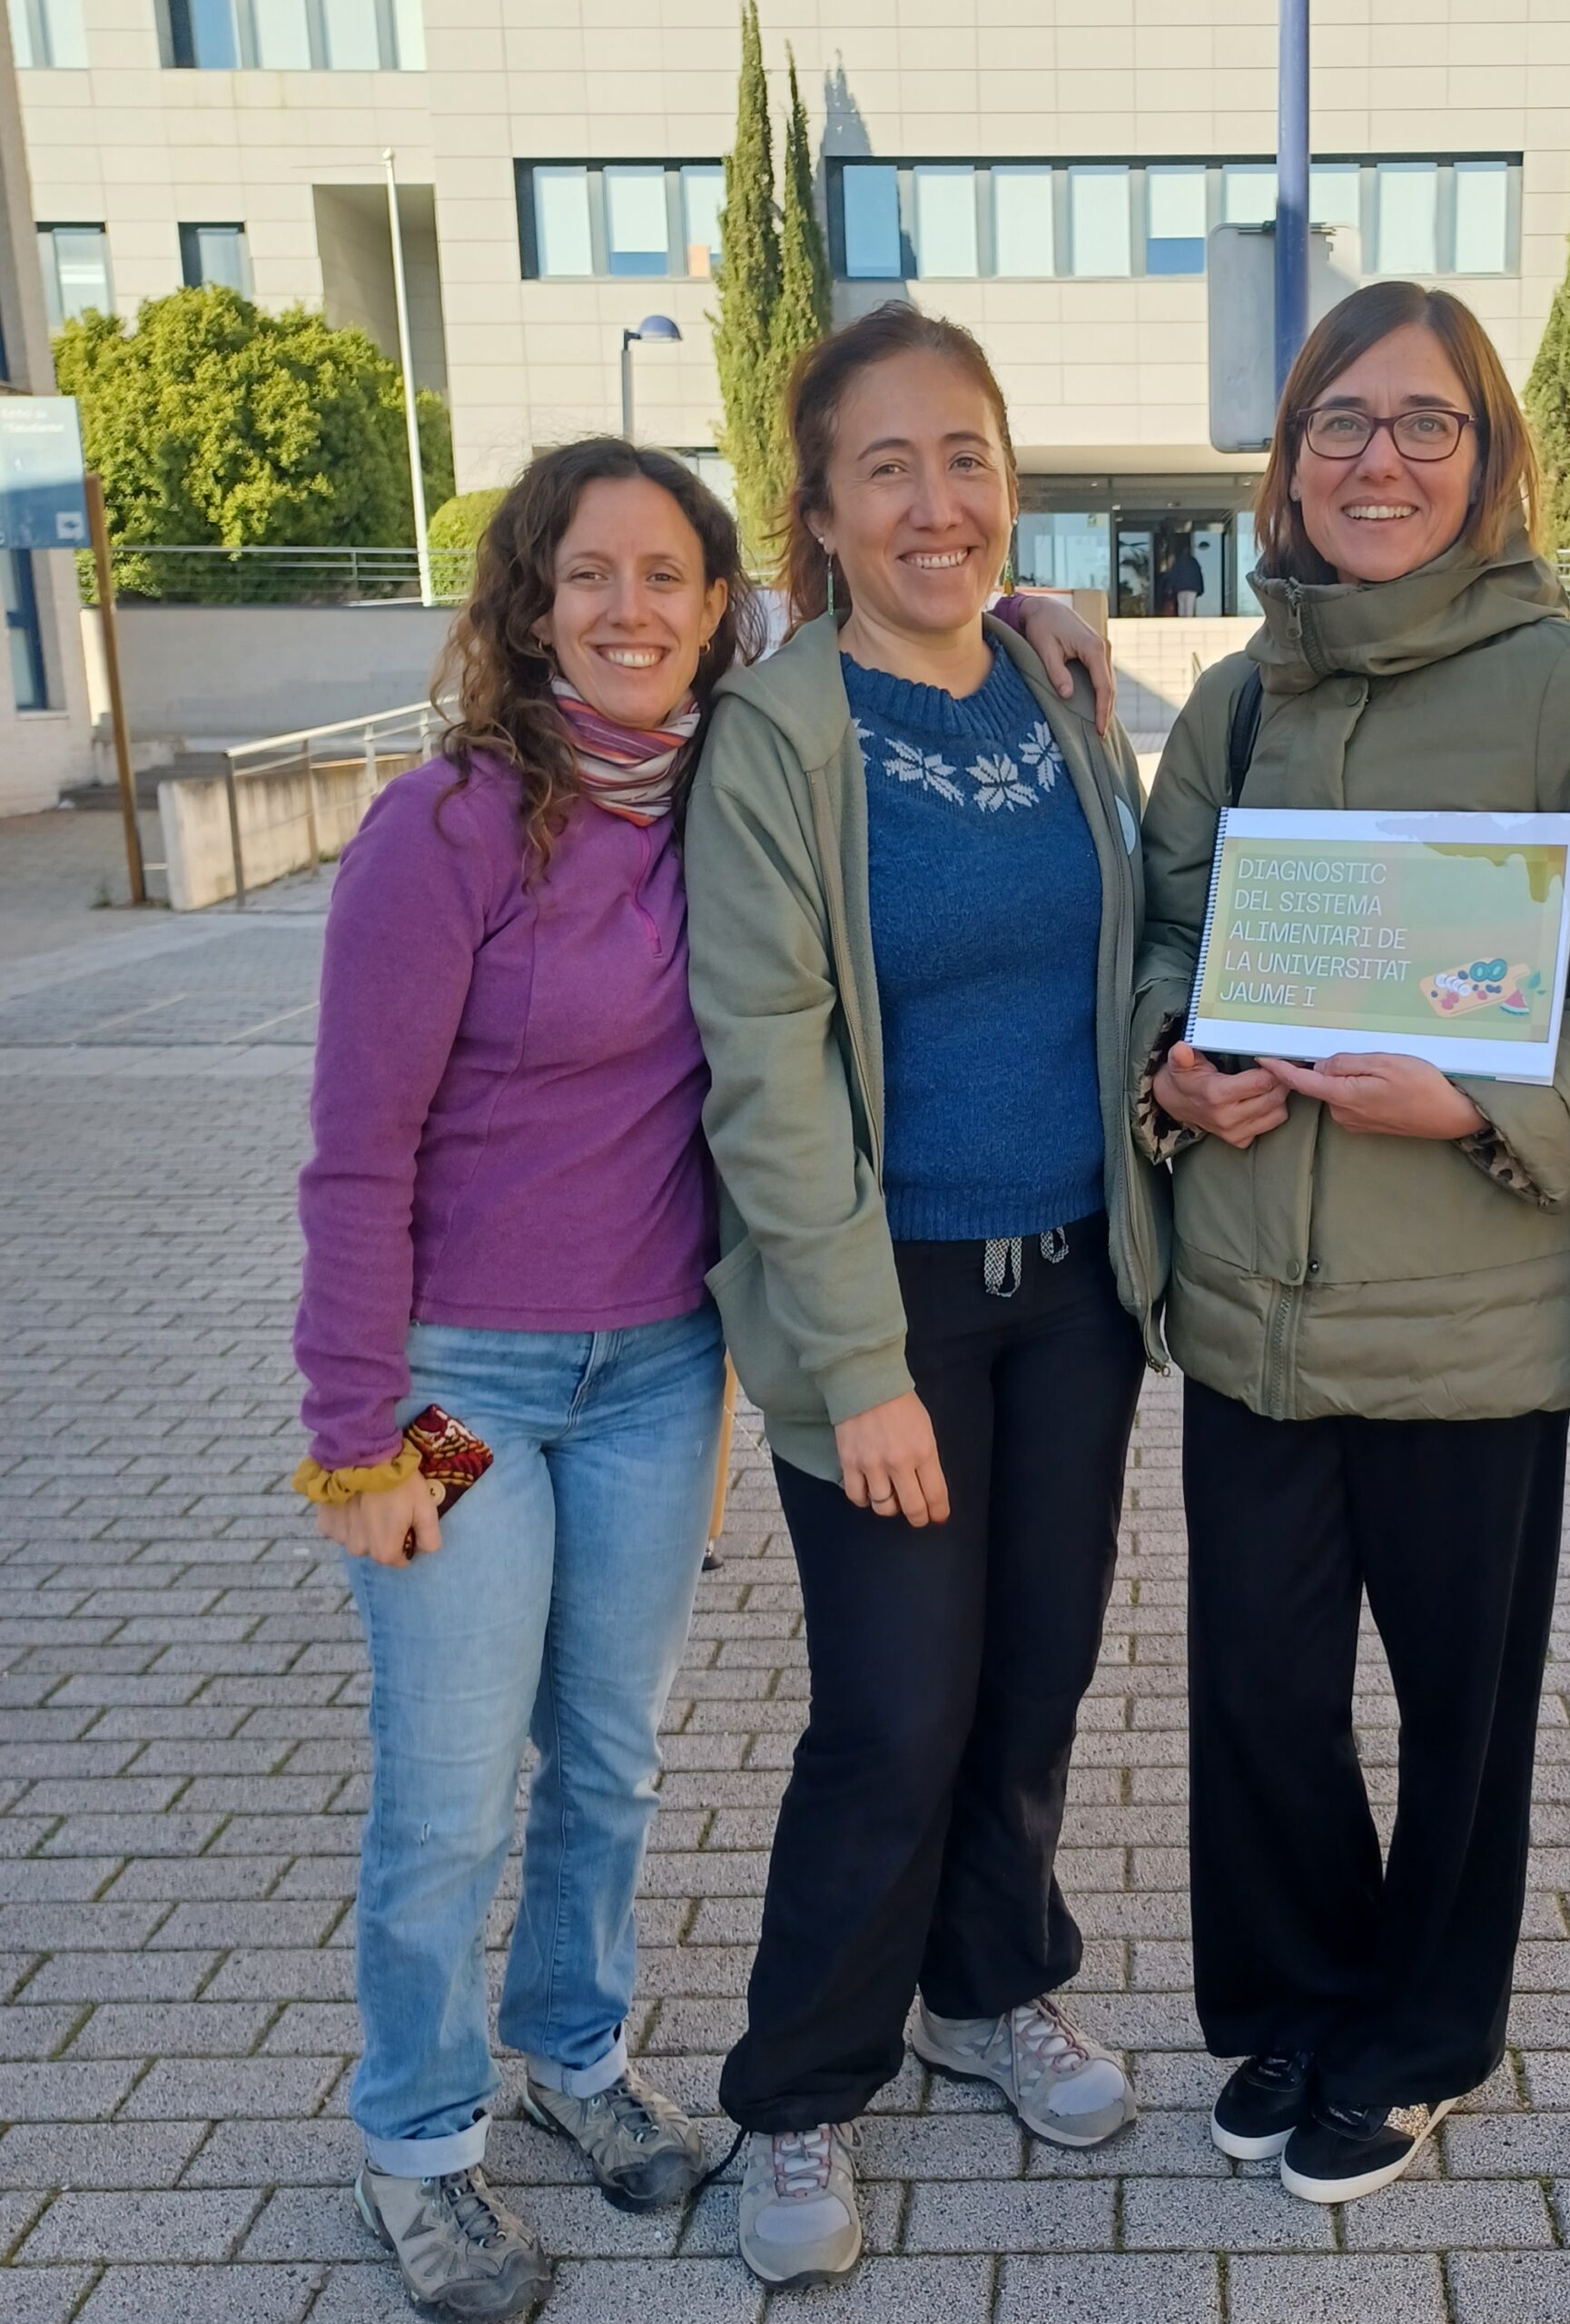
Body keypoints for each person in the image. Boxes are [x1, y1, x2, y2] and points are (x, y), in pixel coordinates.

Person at [1134, 281, 1570, 2207]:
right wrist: (1173, 1059)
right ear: (1288, 460)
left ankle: (1423, 2034)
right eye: (1341, 423)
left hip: (1472, 1319)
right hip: (1254, 1314)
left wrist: (1477, 1105)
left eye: (1424, 423)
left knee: (1462, 1715)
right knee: (1260, 1701)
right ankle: (1304, 2000)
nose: (1378, 459)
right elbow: (1167, 932)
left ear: (1487, 457)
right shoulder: (1238, 697)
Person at [685, 303, 1167, 2291]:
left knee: (1034, 1678)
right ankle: (798, 2088)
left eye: (964, 455)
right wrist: (857, 1365)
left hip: (1076, 1289)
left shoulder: (1059, 687)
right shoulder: (776, 739)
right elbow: (765, 1074)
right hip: (880, 1304)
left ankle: (989, 1983)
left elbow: (1130, 935)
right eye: (885, 466)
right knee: (894, 1710)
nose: (934, 501)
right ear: (816, 513)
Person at [291, 439, 764, 2324]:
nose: (627, 608)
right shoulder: (446, 828)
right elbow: (355, 1154)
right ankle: (415, 2141)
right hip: (458, 1386)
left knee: (613, 1759)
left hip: (657, 1375)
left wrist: (1042, 618)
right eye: (589, 574)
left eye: (665, 575)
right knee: (450, 1789)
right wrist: (355, 1442)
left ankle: (574, 2051)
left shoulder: (732, 807)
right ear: (533, 602)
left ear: (716, 608)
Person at [1161, 537, 1205, 615]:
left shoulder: (1178, 562)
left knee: (1181, 607)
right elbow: (1199, 576)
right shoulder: (1194, 562)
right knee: (1189, 607)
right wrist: (1201, 589)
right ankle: (1188, 622)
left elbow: (1173, 576)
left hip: (1181, 588)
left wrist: (1169, 588)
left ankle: (1182, 621)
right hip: (1192, 589)